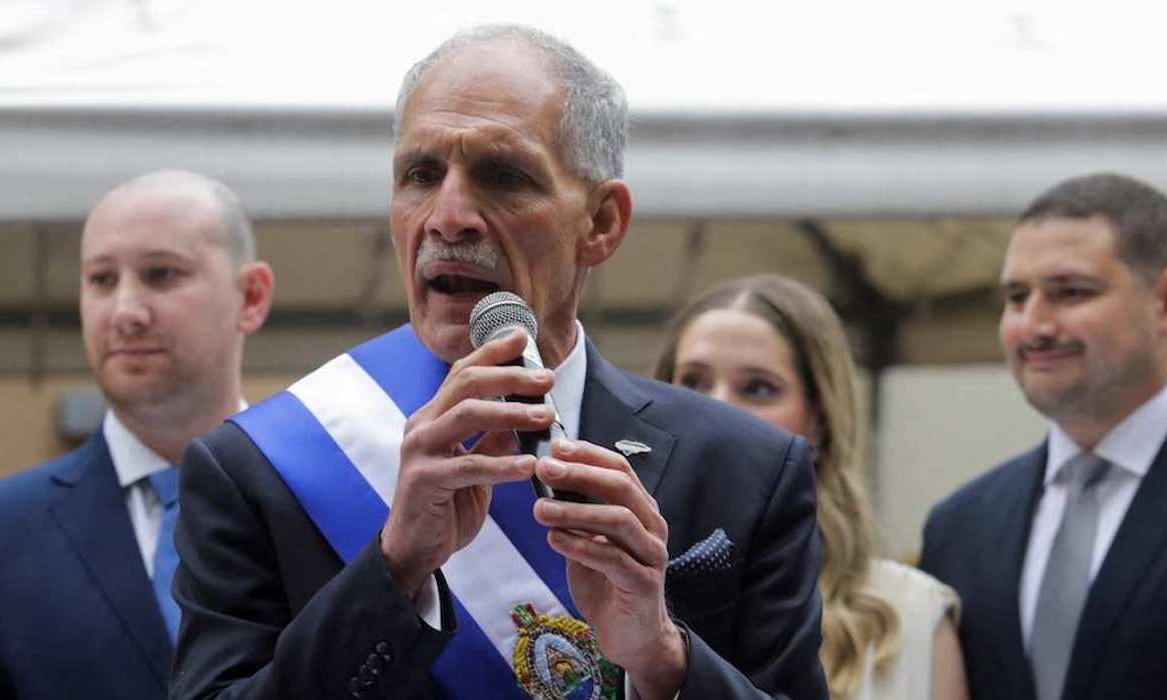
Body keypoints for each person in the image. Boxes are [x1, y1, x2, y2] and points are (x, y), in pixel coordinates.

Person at [170, 24, 827, 700]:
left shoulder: (745, 469)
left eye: (503, 176)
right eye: (420, 175)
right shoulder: (260, 467)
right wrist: (393, 570)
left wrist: (661, 661)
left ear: (601, 223)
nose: (449, 217)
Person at [0, 170, 275, 700]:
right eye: (101, 280)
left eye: (161, 274)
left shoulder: (325, 503)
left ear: (250, 296)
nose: (125, 312)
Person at [654, 274, 969, 700]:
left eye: (757, 388)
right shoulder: (607, 586)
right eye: (693, 382)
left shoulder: (911, 614)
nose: (717, 409)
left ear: (819, 419)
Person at [919, 172, 1167, 700]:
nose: (1034, 325)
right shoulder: (961, 526)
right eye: (1016, 296)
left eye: (1070, 292)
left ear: (1162, 302)